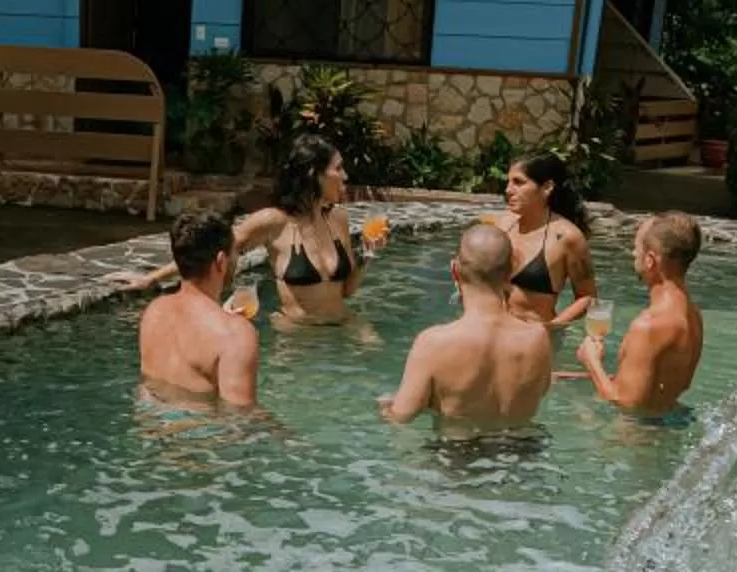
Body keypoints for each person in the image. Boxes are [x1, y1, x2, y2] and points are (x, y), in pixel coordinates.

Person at [108, 133, 378, 321]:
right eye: (338, 168)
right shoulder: (274, 222)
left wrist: (366, 257)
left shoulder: (338, 219)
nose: (345, 176)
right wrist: (151, 279)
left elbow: (346, 291)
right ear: (313, 174)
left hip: (345, 326)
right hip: (299, 339)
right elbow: (208, 249)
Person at [379, 224, 554, 430]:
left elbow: (402, 417)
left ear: (455, 271)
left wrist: (385, 406)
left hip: (458, 457)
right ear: (511, 272)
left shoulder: (433, 343)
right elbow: (540, 392)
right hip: (523, 452)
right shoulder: (538, 337)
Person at [579, 213, 706, 416]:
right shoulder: (694, 316)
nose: (632, 253)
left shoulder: (649, 326)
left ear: (650, 260)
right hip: (666, 427)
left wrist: (591, 361)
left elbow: (627, 405)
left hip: (633, 438)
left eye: (637, 248)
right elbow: (681, 385)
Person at [138, 208, 259, 407]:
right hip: (199, 435)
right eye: (236, 253)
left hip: (151, 431)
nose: (237, 260)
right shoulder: (235, 334)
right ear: (221, 261)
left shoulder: (153, 311)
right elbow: (240, 419)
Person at [495, 153, 594, 329]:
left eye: (518, 182)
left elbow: (587, 297)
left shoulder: (568, 238)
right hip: (495, 333)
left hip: (534, 339)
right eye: (508, 182)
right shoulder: (502, 225)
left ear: (547, 187)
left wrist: (550, 328)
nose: (508, 190)